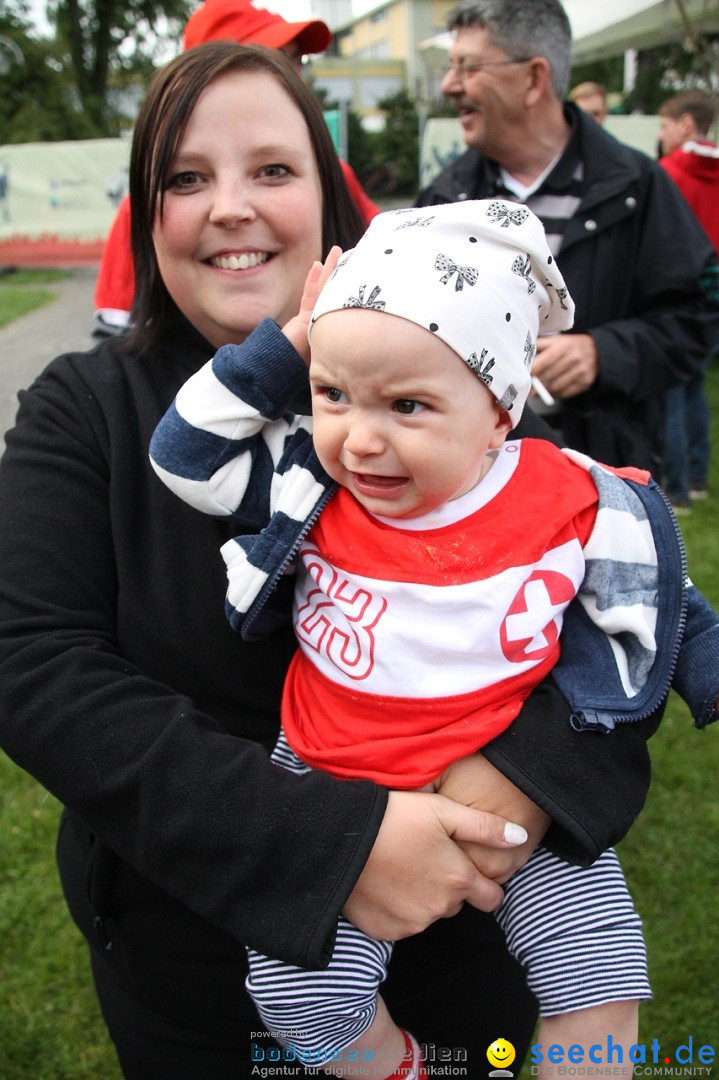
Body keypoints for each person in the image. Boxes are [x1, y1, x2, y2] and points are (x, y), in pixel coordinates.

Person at [0, 41, 667, 1080]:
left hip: (468, 934)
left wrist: (524, 777)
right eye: (185, 177)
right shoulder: (83, 411)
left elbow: (614, 629)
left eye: (272, 169)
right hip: (192, 974)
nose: (230, 206)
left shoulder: (465, 393)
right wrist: (334, 844)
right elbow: (33, 666)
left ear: (328, 198)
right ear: (146, 214)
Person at [150, 200, 719, 1078]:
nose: (361, 437)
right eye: (332, 393)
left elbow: (665, 606)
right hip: (328, 775)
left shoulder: (566, 496)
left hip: (503, 773)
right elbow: (185, 453)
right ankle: (402, 1069)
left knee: (595, 970)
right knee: (298, 996)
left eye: (407, 404)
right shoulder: (314, 480)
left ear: (498, 412)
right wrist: (296, 337)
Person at [416, 0, 719, 474]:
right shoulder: (445, 196)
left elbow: (696, 316)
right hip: (469, 481)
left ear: (534, 78)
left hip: (599, 476)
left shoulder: (636, 186)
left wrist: (604, 353)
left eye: (467, 67)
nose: (449, 85)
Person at [92, 0, 379, 338]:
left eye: (274, 171)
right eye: (186, 180)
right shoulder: (146, 207)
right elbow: (117, 331)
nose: (291, 74)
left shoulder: (337, 173)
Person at [658, 89, 719, 510]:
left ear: (685, 124)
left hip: (677, 293)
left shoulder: (665, 174)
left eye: (663, 125)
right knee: (694, 385)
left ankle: (675, 489)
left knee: (671, 391)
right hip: (714, 294)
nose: (660, 135)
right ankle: (698, 475)